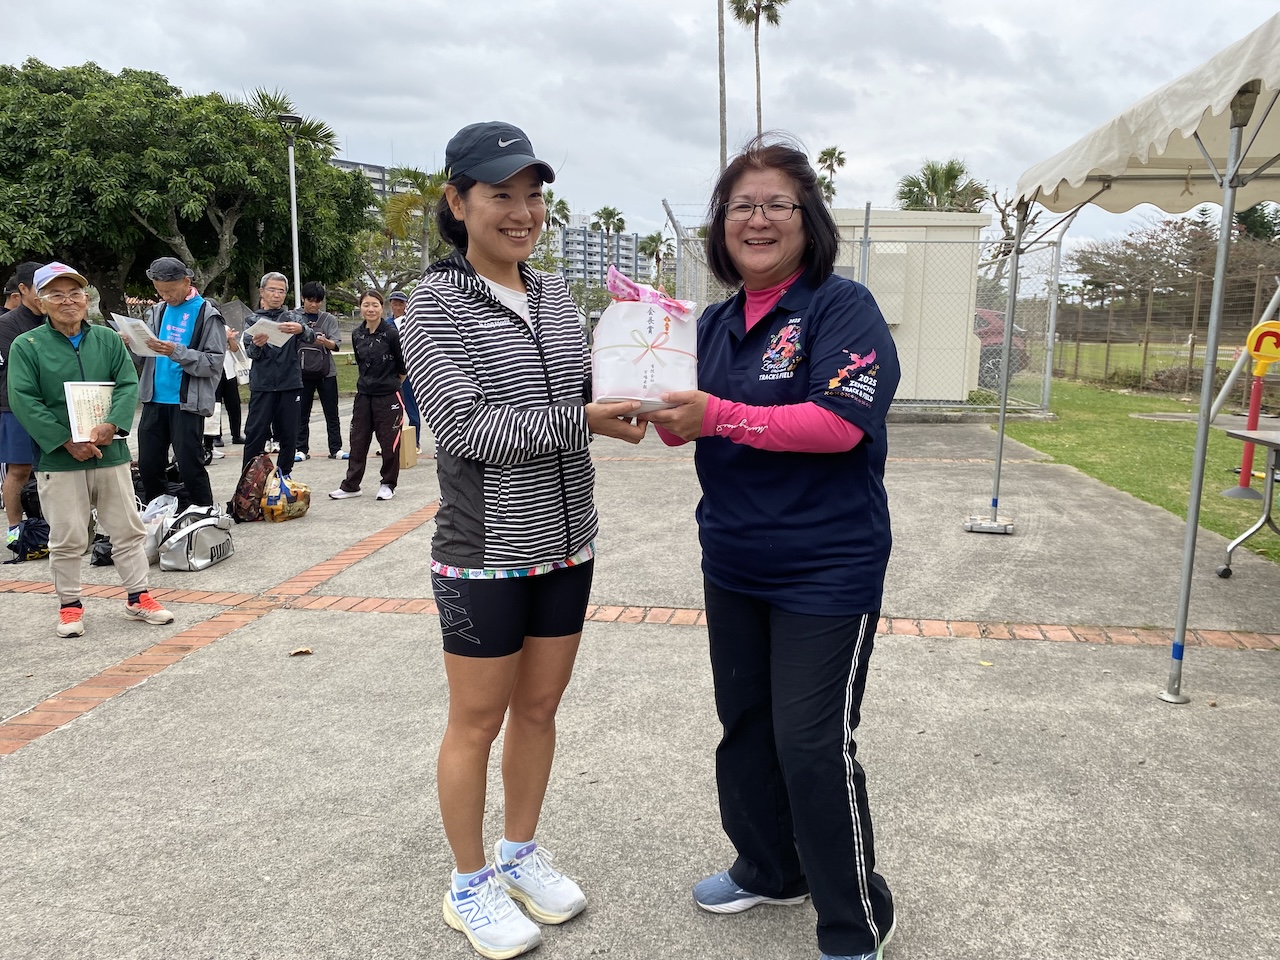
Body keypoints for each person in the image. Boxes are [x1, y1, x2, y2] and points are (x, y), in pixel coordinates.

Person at [644, 137, 901, 960]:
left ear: (807, 220)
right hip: (734, 561)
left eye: (775, 204)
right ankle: (767, 868)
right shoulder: (709, 325)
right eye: (740, 207)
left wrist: (715, 416)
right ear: (721, 229)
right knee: (746, 725)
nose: (757, 219)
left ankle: (853, 919)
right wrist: (649, 408)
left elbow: (837, 423)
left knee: (812, 743)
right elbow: (685, 432)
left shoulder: (841, 307)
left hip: (828, 567)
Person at [398, 120, 645, 960]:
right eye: (500, 194)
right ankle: (469, 884)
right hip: (485, 550)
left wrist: (645, 384)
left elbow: (592, 393)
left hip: (569, 544)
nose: (522, 211)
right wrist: (586, 418)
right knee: (477, 720)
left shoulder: (555, 299)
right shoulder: (430, 306)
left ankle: (520, 852)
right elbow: (465, 428)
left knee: (539, 709)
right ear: (457, 201)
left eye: (533, 195)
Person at [7, 262, 174, 637]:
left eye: (76, 293)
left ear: (87, 298)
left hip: (109, 452)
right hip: (59, 458)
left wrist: (112, 424)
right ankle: (69, 606)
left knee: (127, 530)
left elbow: (127, 384)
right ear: (39, 301)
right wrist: (64, 440)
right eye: (56, 295)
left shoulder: (107, 339)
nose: (69, 301)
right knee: (67, 537)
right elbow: (23, 399)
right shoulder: (28, 345)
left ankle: (138, 597)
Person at [131, 257, 226, 508]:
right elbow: (143, 355)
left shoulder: (207, 314)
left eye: (170, 291)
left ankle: (205, 514)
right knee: (149, 464)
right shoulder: (157, 311)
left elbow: (213, 362)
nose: (166, 296)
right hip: (154, 399)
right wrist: (131, 342)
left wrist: (176, 351)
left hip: (186, 402)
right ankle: (158, 516)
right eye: (160, 291)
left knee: (189, 464)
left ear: (186, 281)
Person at [329, 290, 404, 501]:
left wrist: (390, 386)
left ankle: (388, 483)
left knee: (389, 442)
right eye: (366, 305)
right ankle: (351, 485)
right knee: (358, 440)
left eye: (375, 305)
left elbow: (402, 367)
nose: (370, 309)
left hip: (388, 396)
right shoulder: (357, 334)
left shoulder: (391, 333)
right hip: (363, 395)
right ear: (360, 307)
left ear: (382, 308)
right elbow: (362, 364)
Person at [240, 272, 314, 476]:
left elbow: (312, 337)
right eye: (272, 290)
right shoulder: (252, 320)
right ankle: (249, 477)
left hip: (290, 383)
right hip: (262, 385)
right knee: (255, 433)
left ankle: (284, 475)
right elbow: (250, 353)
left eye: (281, 291)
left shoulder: (293, 318)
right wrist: (257, 344)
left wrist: (301, 329)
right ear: (262, 292)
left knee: (289, 433)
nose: (277, 295)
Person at [0, 261, 47, 547]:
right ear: (22, 289)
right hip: (14, 406)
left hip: (54, 404)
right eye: (40, 290)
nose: (46, 297)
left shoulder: (54, 319)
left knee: (52, 467)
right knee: (20, 469)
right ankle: (15, 530)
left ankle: (51, 525)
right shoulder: (6, 325)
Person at [295, 280, 345, 462]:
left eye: (318, 301)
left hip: (326, 373)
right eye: (310, 300)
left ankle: (336, 448)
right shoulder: (294, 317)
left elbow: (336, 344)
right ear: (303, 299)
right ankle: (300, 448)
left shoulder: (328, 319)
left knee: (332, 412)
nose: (314, 304)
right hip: (301, 373)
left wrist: (325, 341)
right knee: (301, 413)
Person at [386, 290, 423, 450]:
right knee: (390, 409)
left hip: (408, 371)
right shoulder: (386, 324)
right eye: (395, 303)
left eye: (401, 303)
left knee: (410, 407)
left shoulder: (413, 322)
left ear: (406, 305)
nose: (398, 307)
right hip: (390, 371)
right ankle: (390, 443)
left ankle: (414, 442)